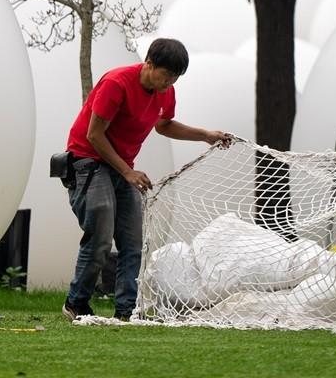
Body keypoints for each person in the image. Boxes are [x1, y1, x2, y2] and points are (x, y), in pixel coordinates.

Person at [62, 37, 232, 322]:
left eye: (175, 78)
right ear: (149, 64)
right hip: (88, 160)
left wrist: (205, 135)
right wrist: (127, 172)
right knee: (101, 236)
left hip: (121, 167)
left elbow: (164, 125)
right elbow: (94, 134)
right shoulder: (116, 83)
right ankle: (76, 303)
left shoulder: (166, 92)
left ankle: (126, 311)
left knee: (133, 242)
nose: (169, 83)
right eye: (166, 75)